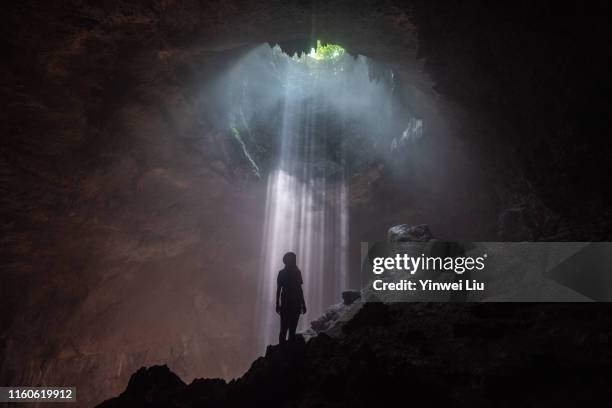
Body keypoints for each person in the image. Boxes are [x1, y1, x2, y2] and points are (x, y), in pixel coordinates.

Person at [276, 252, 307, 344]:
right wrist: (303, 304)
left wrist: (277, 304)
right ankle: (285, 351)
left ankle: (285, 351)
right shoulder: (295, 272)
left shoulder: (293, 272)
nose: (294, 261)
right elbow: (299, 289)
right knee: (286, 329)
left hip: (290, 303)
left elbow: (299, 289)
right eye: (293, 259)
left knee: (288, 329)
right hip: (291, 303)